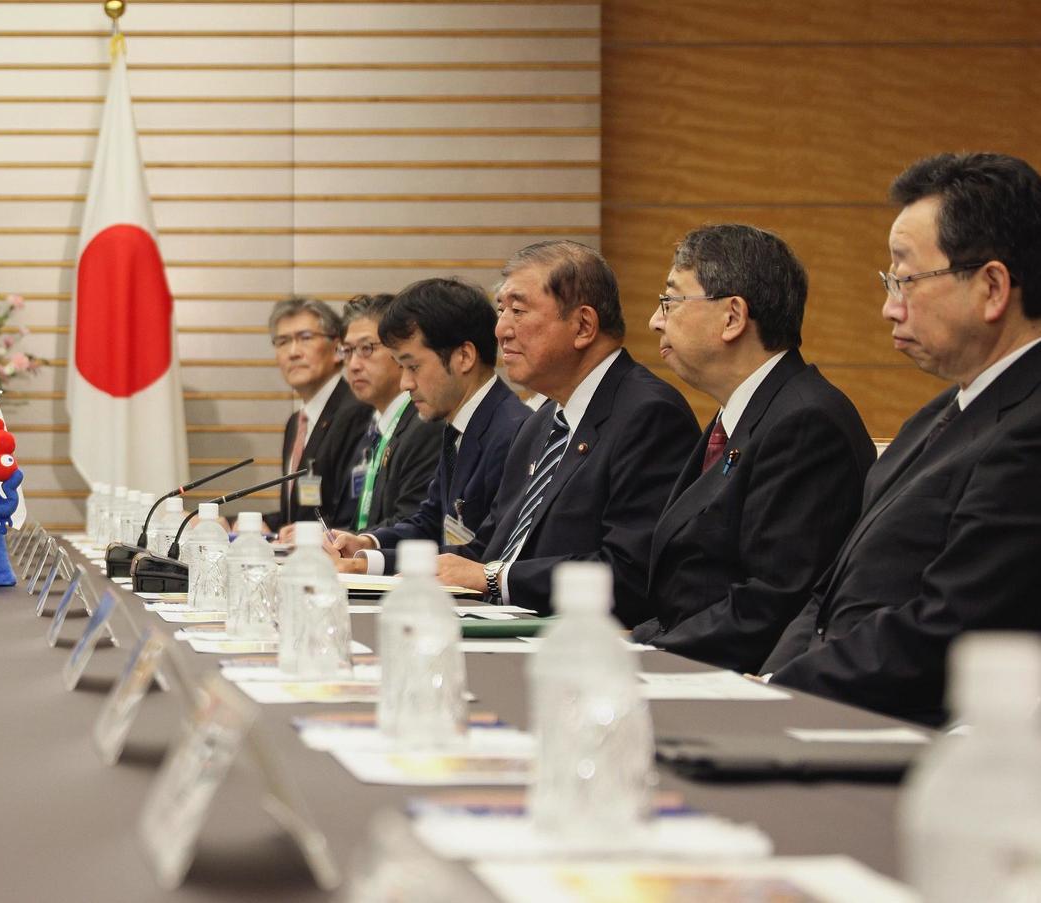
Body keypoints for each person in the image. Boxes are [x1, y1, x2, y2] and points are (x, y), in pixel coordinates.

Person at [764, 152, 1041, 725]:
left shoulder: (1029, 429)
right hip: (830, 706)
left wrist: (782, 694)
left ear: (992, 287)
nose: (889, 307)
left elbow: (950, 627)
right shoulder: (935, 415)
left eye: (906, 279)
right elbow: (829, 593)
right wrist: (770, 683)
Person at [629, 226, 873, 673]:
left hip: (739, 684)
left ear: (733, 317)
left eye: (671, 301)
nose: (655, 320)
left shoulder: (805, 422)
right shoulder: (741, 414)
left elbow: (771, 603)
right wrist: (631, 642)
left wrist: (644, 658)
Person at [432, 241, 698, 618]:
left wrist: (495, 579)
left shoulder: (648, 414)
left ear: (583, 326)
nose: (501, 329)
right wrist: (380, 564)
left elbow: (628, 572)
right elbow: (487, 550)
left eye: (518, 311)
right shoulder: (540, 423)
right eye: (501, 310)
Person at [328, 278, 532, 575]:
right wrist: (366, 548)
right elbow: (431, 522)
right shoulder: (458, 425)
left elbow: (481, 554)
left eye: (413, 367)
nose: (405, 383)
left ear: (464, 357)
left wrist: (364, 565)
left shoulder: (513, 433)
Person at [319, 293, 444, 534]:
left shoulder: (425, 425)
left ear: (400, 351)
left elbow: (413, 523)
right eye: (347, 351)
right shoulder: (372, 428)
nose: (353, 364)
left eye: (367, 349)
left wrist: (358, 543)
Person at [263, 296, 358, 529]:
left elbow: (351, 515)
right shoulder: (296, 422)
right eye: (282, 341)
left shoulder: (356, 412)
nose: (293, 352)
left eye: (305, 338)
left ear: (338, 349)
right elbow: (297, 517)